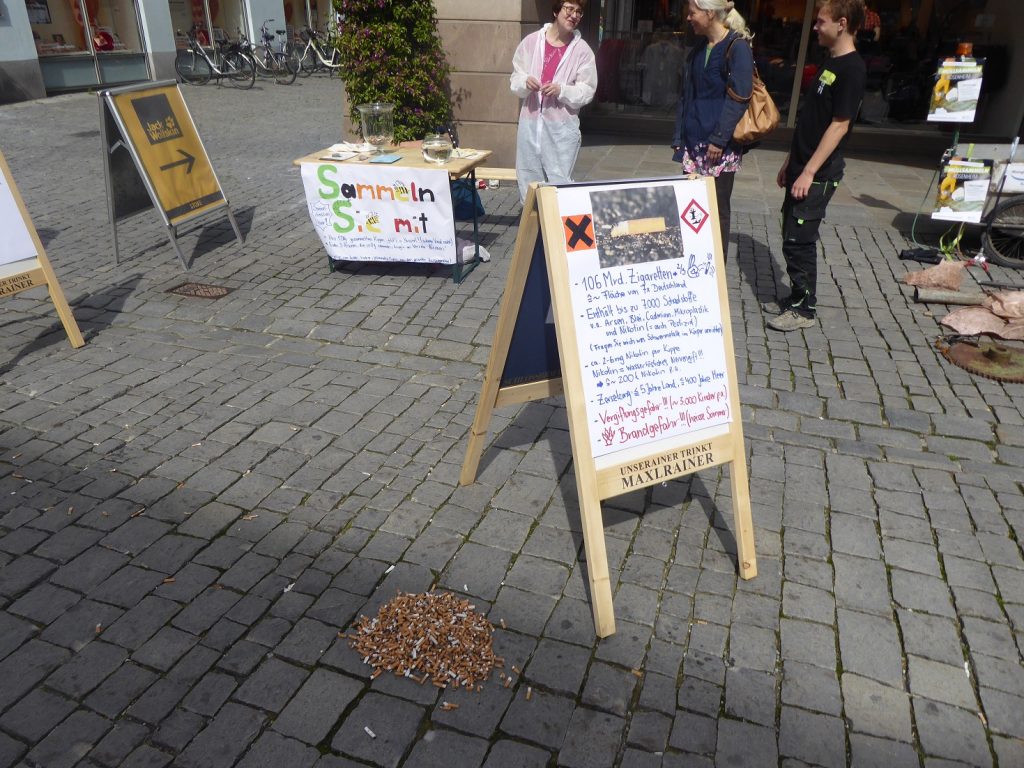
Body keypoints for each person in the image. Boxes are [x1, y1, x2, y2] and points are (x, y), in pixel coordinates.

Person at [764, 0, 865, 332]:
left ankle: (804, 310)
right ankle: (796, 296)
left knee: (800, 239)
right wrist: (790, 162)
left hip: (819, 174)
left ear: (842, 23)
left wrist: (808, 171)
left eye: (821, 22)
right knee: (790, 234)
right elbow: (812, 119)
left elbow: (839, 125)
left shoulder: (852, 69)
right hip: (802, 165)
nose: (815, 27)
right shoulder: (831, 61)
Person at [671, 0, 754, 255]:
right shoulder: (698, 49)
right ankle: (694, 263)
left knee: (717, 211)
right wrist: (678, 136)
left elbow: (740, 97)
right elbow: (686, 95)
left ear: (709, 13)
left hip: (720, 148)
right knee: (690, 210)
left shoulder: (737, 47)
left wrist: (718, 139)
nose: (688, 18)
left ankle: (716, 267)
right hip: (693, 144)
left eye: (692, 13)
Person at [510, 1, 598, 203]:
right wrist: (525, 81)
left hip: (561, 130)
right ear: (556, 10)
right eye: (569, 9)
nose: (574, 15)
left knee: (559, 187)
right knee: (529, 182)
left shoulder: (582, 51)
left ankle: (554, 223)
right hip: (530, 125)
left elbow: (587, 90)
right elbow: (515, 78)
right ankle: (533, 222)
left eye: (579, 12)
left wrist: (562, 90)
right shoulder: (532, 42)